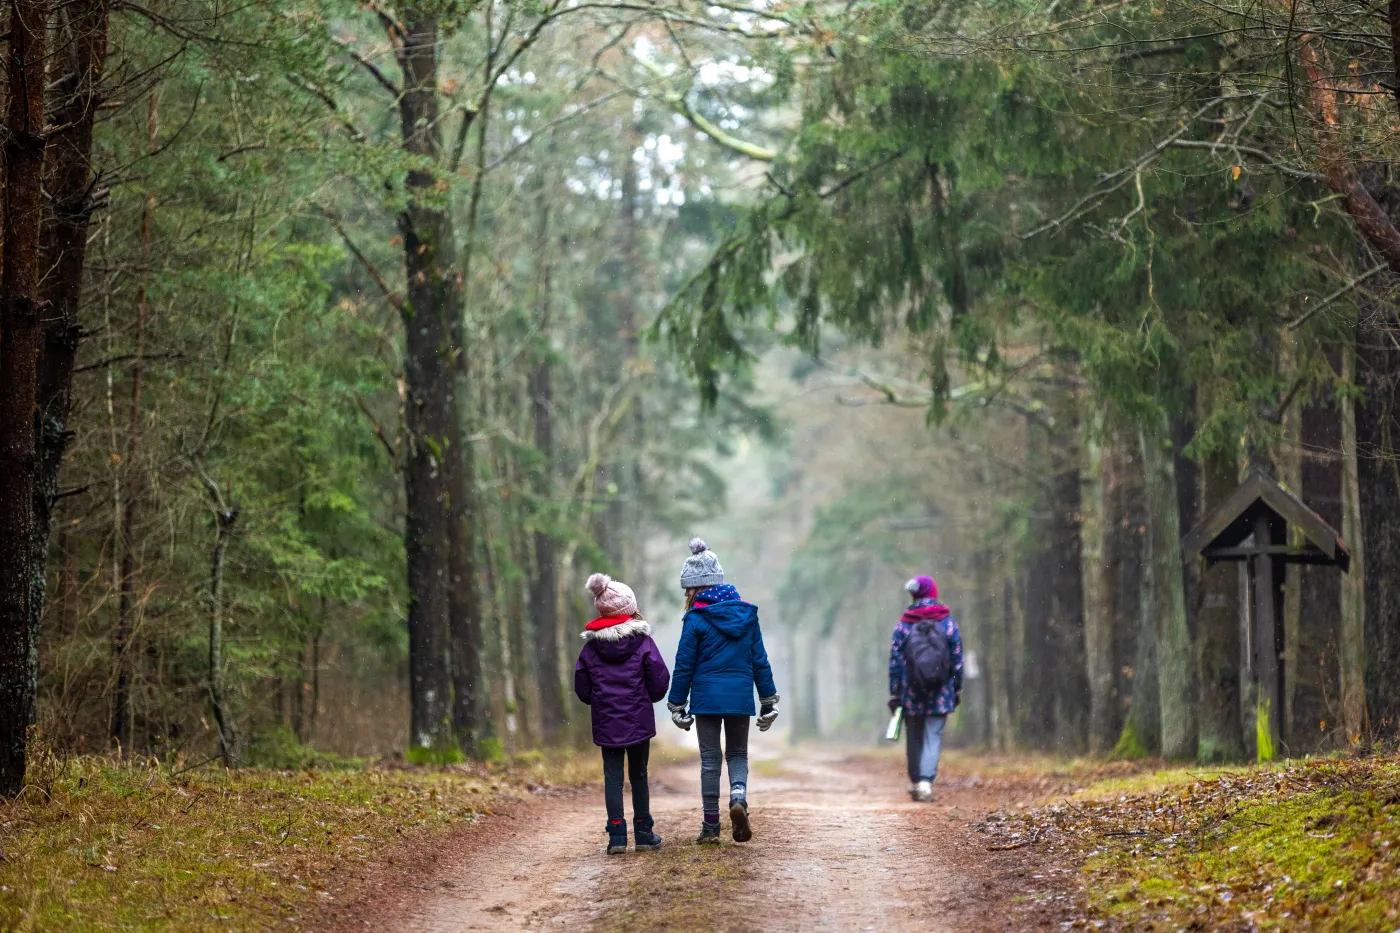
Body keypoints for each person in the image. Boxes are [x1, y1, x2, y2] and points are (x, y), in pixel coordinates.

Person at [667, 537, 779, 844]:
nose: (687, 594)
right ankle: (739, 798)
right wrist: (768, 699)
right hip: (740, 696)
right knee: (738, 753)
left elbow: (684, 665)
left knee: (710, 760)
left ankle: (711, 826)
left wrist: (676, 702)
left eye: (688, 588)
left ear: (699, 588)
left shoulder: (695, 619)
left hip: (706, 699)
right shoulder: (746, 615)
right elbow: (759, 660)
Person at [574, 572, 671, 854]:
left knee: (613, 777)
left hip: (607, 723)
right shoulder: (643, 643)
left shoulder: (591, 648)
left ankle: (616, 835)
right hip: (638, 719)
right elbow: (659, 679)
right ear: (629, 608)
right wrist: (646, 698)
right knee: (639, 774)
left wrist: (600, 702)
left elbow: (582, 688)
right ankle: (643, 832)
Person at [888, 574, 963, 803]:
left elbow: (895, 661)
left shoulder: (904, 624)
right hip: (941, 691)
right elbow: (957, 659)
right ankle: (925, 783)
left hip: (911, 691)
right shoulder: (947, 622)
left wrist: (896, 691)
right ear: (933, 593)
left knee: (914, 736)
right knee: (933, 736)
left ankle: (915, 779)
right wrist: (955, 687)